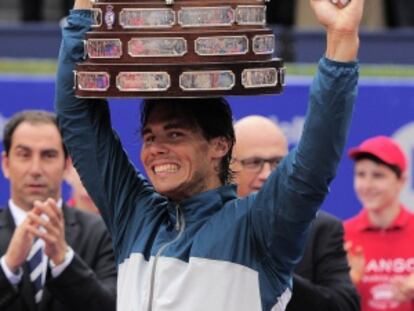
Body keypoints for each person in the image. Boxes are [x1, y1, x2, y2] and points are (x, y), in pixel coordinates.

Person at [54, 0, 363, 309]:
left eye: (175, 134)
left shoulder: (256, 228)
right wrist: (84, 9)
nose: (157, 148)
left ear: (220, 144)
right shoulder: (135, 217)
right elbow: (78, 120)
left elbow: (313, 163)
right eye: (150, 137)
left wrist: (341, 38)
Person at [232, 115, 360, 311]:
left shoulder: (321, 229)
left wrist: (278, 276)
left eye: (277, 163)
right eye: (254, 162)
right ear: (228, 167)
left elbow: (345, 306)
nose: (267, 174)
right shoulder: (204, 227)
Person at [0, 110, 116, 311]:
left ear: (67, 166)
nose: (35, 169)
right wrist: (8, 266)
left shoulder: (101, 233)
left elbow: (114, 307)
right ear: (6, 164)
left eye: (48, 155)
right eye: (24, 155)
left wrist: (64, 260)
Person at [344, 135, 414, 311]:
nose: (367, 185)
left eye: (378, 175)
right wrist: (345, 283)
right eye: (361, 174)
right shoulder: (341, 235)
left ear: (401, 181)